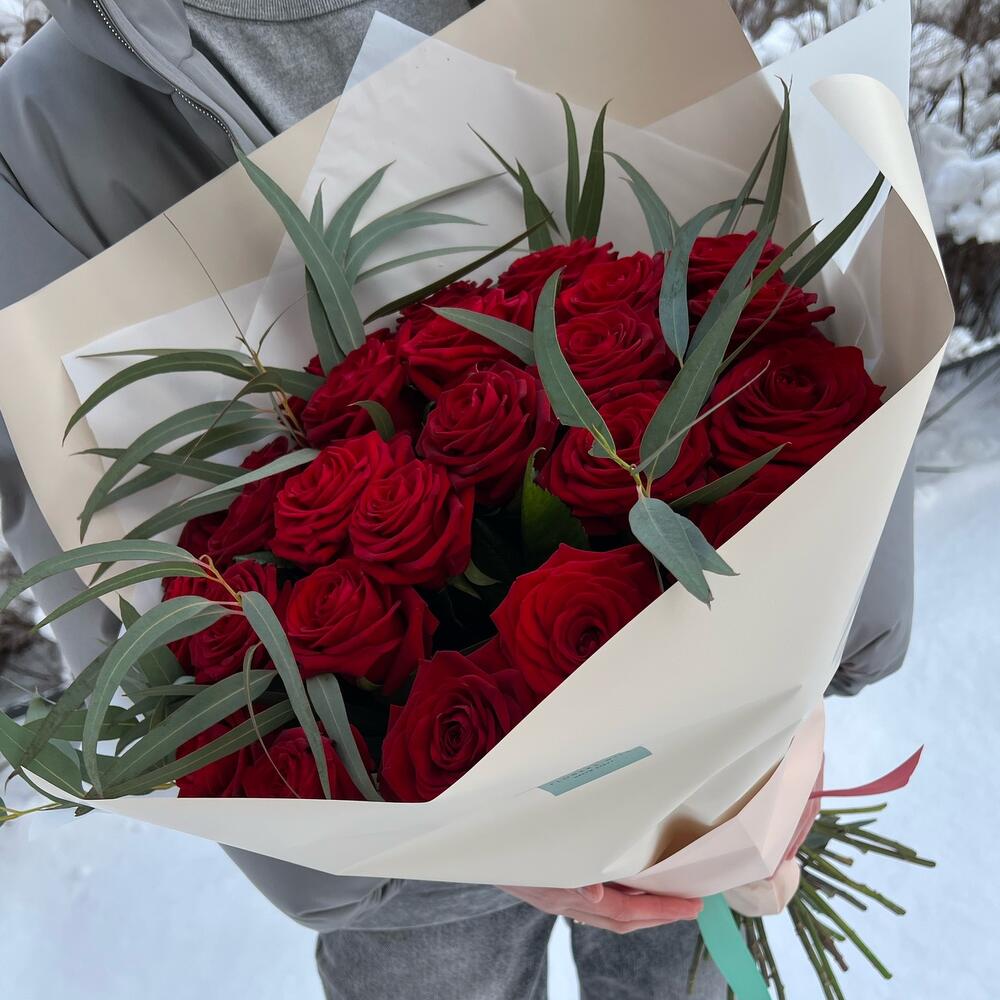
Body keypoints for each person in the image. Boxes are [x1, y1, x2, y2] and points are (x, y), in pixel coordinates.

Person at [0, 3, 916, 998]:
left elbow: (764, 263)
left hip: (722, 747)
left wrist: (807, 649)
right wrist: (420, 833)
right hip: (411, 849)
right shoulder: (46, 130)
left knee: (689, 965)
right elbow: (109, 566)